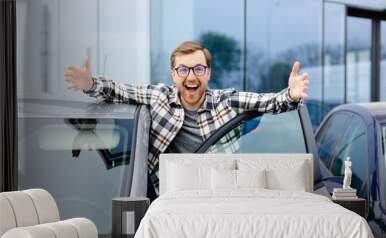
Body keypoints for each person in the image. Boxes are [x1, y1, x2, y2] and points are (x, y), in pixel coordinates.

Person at [64, 41, 309, 199]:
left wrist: (291, 95)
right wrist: (91, 84)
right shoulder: (158, 96)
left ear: (208, 73)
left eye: (198, 69)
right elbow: (118, 91)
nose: (191, 76)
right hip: (170, 197)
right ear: (173, 74)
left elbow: (268, 102)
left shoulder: (226, 100)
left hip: (218, 196)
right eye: (183, 69)